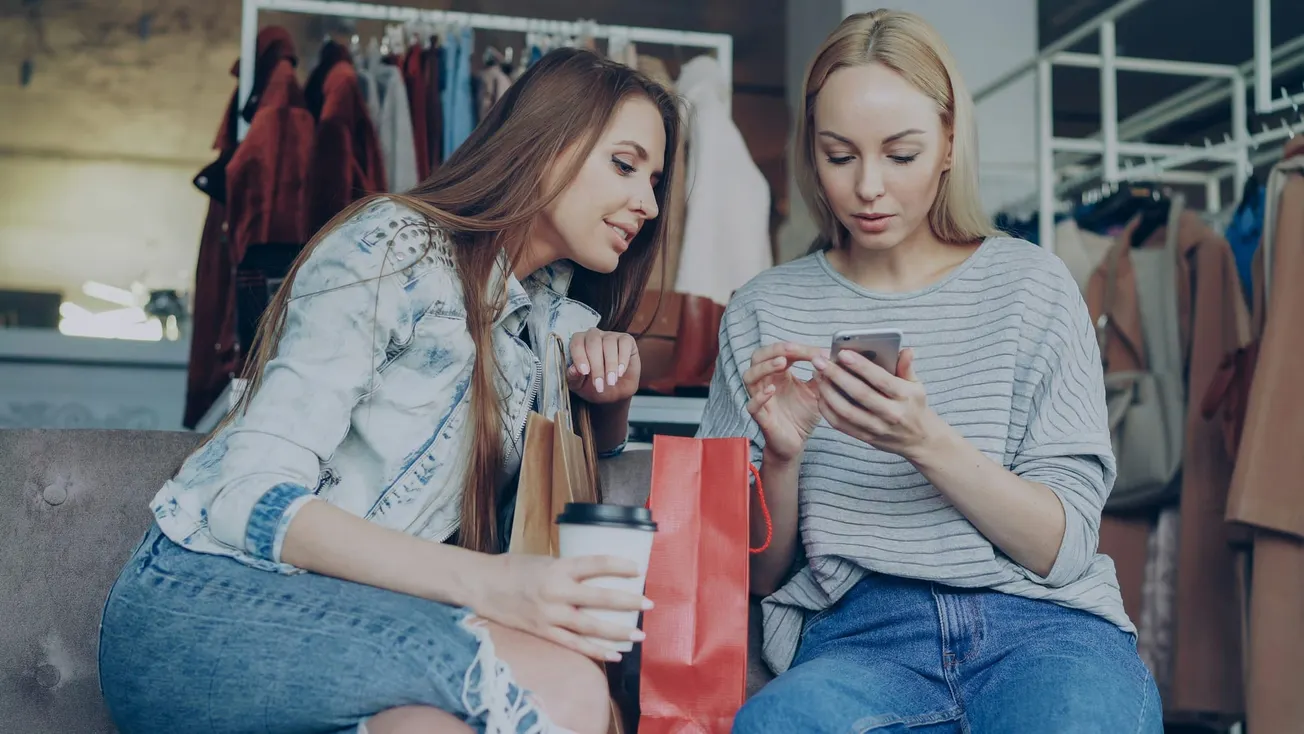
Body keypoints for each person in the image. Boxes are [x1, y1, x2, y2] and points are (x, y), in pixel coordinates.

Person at [98, 48, 679, 734]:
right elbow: (247, 493)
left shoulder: (549, 323)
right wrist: (492, 586)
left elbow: (572, 485)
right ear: (547, 141)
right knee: (567, 688)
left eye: (654, 179)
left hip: (351, 626)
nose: (645, 202)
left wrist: (608, 402)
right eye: (624, 164)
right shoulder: (396, 248)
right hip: (204, 602)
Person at [699, 11, 1162, 733]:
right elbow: (753, 579)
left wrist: (924, 440)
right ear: (811, 153)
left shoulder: (1032, 286)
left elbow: (1064, 545)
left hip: (1044, 630)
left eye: (901, 154)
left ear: (949, 143)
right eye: (839, 155)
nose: (868, 188)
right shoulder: (766, 309)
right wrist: (783, 457)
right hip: (858, 639)